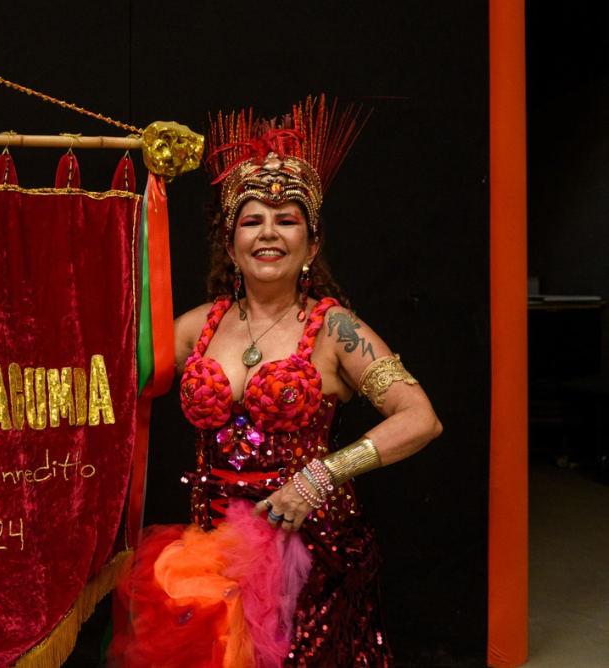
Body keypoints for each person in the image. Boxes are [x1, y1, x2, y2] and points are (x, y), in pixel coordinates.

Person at [110, 97, 442, 668]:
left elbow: (420, 418)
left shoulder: (335, 329)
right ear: (231, 243)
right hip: (209, 555)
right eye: (252, 220)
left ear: (311, 244)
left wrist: (323, 474)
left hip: (310, 556)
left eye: (287, 219)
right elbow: (113, 382)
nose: (269, 233)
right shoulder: (195, 327)